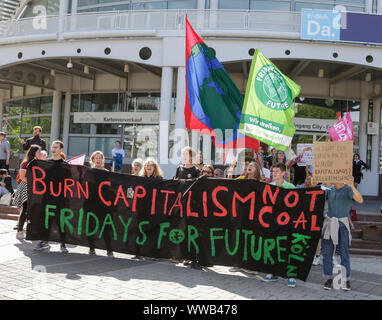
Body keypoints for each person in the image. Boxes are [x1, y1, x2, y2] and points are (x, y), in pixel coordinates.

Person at [322, 179, 363, 291]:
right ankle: (328, 279)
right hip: (330, 224)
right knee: (327, 253)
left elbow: (360, 200)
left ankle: (346, 280)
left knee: (344, 253)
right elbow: (317, 198)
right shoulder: (329, 189)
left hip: (343, 226)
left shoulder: (347, 189)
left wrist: (352, 186)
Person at [263, 162, 297, 287]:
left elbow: (296, 206)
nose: (274, 173)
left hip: (287, 224)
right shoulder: (269, 186)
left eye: (277, 171)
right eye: (273, 171)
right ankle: (272, 272)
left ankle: (291, 275)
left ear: (283, 173)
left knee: (287, 248)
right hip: (273, 224)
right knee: (273, 247)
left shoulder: (290, 187)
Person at [34, 141, 68, 252]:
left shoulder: (65, 165)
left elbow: (69, 182)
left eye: (56, 147)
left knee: (61, 221)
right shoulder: (46, 164)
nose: (53, 149)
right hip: (48, 198)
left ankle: (63, 243)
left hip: (61, 198)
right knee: (46, 219)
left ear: (61, 149)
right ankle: (44, 241)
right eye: (52, 147)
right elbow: (41, 180)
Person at [87, 151, 113, 257]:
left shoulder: (107, 172)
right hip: (90, 204)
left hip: (103, 205)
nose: (98, 160)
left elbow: (110, 189)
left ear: (103, 160)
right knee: (91, 226)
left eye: (100, 158)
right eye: (96, 158)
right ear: (92, 160)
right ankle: (91, 247)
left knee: (105, 226)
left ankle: (109, 249)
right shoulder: (89, 172)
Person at [13, 145, 42, 240]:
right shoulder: (26, 163)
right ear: (34, 152)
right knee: (25, 209)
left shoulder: (37, 162)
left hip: (33, 188)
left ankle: (28, 230)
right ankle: (20, 231)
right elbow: (22, 177)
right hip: (26, 187)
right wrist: (32, 184)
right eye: (39, 152)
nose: (40, 153)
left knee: (33, 210)